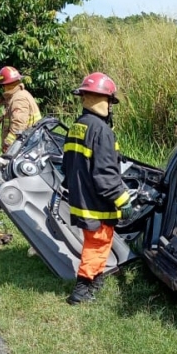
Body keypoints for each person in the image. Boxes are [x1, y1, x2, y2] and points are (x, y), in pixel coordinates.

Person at [62, 71, 133, 305]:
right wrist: (123, 200)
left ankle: (97, 278)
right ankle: (82, 291)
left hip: (81, 197)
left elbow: (67, 164)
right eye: (111, 102)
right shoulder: (101, 131)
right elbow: (105, 174)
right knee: (97, 244)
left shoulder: (77, 126)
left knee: (95, 243)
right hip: (97, 203)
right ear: (105, 100)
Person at [0, 66, 41, 153]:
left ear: (6, 85)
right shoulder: (18, 95)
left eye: (2, 86)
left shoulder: (18, 99)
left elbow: (18, 125)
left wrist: (8, 143)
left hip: (24, 147)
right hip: (26, 144)